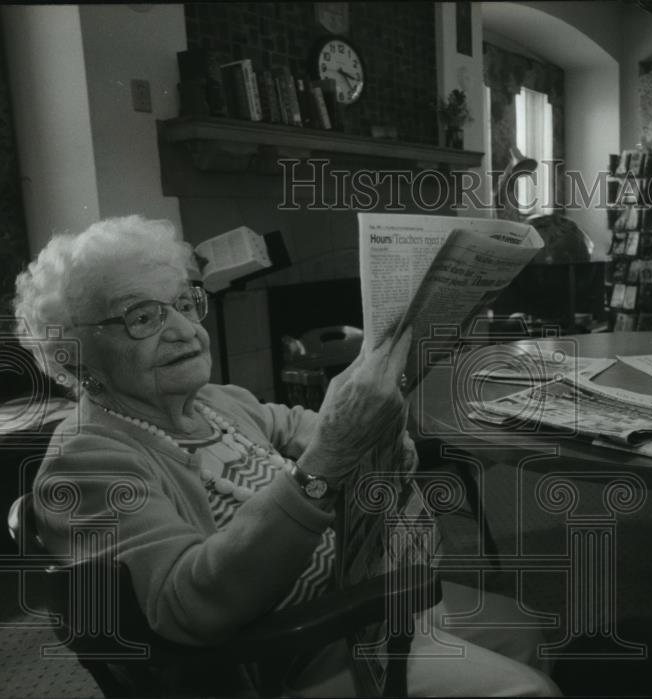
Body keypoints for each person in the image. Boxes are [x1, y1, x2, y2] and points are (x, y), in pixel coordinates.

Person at [14, 215, 559, 697]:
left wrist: (372, 420)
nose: (185, 330)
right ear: (73, 352)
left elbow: (313, 428)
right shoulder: (88, 459)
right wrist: (329, 459)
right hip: (284, 654)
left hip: (355, 598)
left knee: (524, 628)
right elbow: (187, 607)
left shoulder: (218, 403)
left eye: (184, 303)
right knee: (528, 688)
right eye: (141, 316)